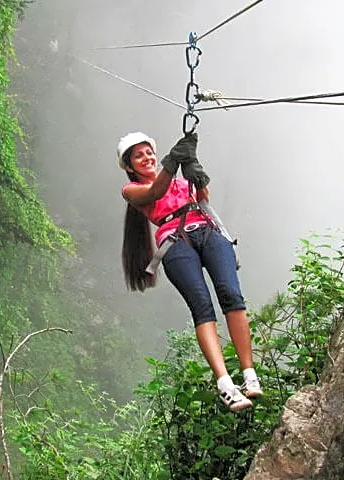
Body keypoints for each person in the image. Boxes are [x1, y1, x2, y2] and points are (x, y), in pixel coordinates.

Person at [117, 131, 262, 411]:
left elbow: (203, 196)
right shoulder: (132, 191)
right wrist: (173, 161)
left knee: (232, 295)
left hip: (207, 229)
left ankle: (249, 374)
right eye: (139, 156)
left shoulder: (180, 182)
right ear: (129, 166)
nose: (147, 158)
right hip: (175, 240)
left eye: (149, 153)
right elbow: (155, 192)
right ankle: (225, 385)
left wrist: (194, 168)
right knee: (202, 305)